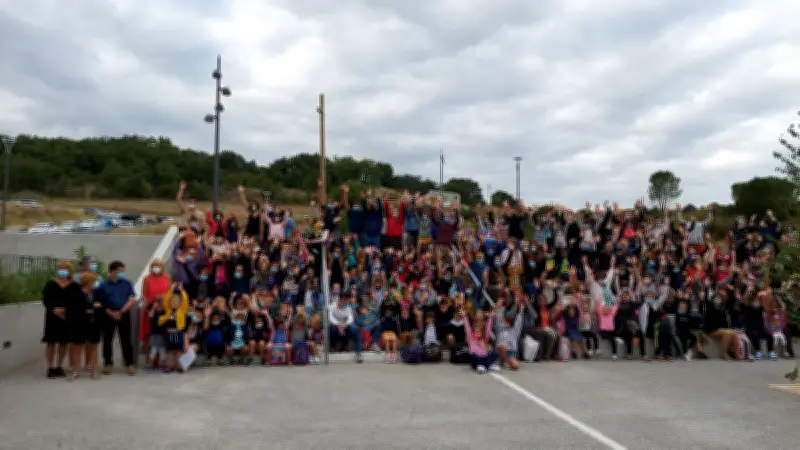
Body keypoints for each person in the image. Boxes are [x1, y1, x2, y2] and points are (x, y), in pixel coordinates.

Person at [94, 260, 137, 375]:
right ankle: (108, 363)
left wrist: (122, 311)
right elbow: (99, 302)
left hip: (124, 313)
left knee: (126, 339)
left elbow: (132, 299)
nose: (121, 273)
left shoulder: (127, 283)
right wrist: (110, 313)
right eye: (119, 271)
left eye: (122, 271)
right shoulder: (103, 285)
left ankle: (129, 364)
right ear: (112, 271)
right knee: (107, 339)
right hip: (108, 314)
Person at [42, 261, 80, 379]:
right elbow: (46, 299)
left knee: (63, 342)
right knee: (51, 342)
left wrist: (64, 310)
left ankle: (59, 366)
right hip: (52, 317)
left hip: (67, 317)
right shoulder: (50, 284)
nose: (62, 271)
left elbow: (76, 301)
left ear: (70, 271)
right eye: (60, 268)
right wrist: (55, 309)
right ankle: (50, 367)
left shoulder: (74, 286)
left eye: (65, 269)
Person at [66, 272, 104, 380]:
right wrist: (92, 306)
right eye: (94, 281)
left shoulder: (96, 293)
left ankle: (94, 371)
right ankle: (75, 371)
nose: (95, 283)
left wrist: (93, 308)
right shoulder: (76, 294)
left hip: (93, 324)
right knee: (77, 348)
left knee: (93, 348)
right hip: (80, 324)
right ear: (88, 282)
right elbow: (76, 308)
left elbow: (101, 306)